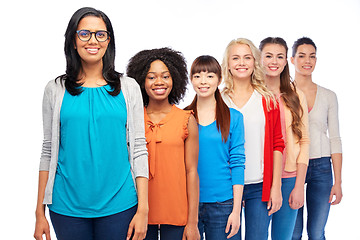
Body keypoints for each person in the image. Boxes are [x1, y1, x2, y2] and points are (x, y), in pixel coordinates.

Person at [33, 7, 149, 240]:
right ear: (73, 41)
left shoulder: (129, 88)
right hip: (66, 206)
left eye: (100, 34)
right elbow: (48, 150)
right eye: (84, 33)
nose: (92, 40)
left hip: (121, 204)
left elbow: (138, 148)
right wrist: (39, 212)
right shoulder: (55, 89)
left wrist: (143, 209)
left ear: (108, 41)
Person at [126, 47, 200, 240]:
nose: (159, 82)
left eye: (165, 76)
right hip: (138, 212)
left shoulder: (186, 119)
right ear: (141, 81)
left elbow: (191, 172)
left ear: (174, 79)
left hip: (176, 213)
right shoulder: (131, 119)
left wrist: (192, 222)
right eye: (151, 77)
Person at [221, 38, 285, 240]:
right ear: (228, 64)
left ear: (254, 62)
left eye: (247, 57)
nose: (241, 63)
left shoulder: (266, 99)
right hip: (227, 187)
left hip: (259, 186)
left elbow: (278, 144)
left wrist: (276, 187)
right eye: (236, 58)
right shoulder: (219, 100)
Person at [185, 55, 245, 240]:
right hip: (189, 204)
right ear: (191, 80)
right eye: (197, 76)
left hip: (223, 204)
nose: (203, 81)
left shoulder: (233, 117)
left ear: (219, 79)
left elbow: (237, 163)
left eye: (210, 76)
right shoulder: (182, 116)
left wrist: (236, 211)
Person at [290, 37, 343, 240]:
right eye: (302, 56)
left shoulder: (329, 96)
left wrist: (338, 181)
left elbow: (335, 138)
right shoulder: (285, 94)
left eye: (312, 56)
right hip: (292, 168)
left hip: (321, 167)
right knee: (292, 233)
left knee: (316, 233)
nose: (307, 61)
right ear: (292, 60)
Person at [259, 37, 310, 240]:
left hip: (289, 178)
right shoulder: (253, 94)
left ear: (286, 61)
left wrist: (299, 186)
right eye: (269, 56)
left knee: (283, 237)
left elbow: (305, 141)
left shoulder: (296, 95)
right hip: (259, 179)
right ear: (259, 58)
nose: (274, 61)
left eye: (280, 56)